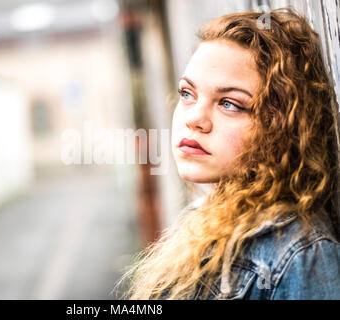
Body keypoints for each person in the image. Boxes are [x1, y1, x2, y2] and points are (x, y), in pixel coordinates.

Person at [119, 7, 340, 300]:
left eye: (230, 104)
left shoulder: (301, 254)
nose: (194, 118)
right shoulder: (201, 217)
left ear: (282, 126)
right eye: (187, 93)